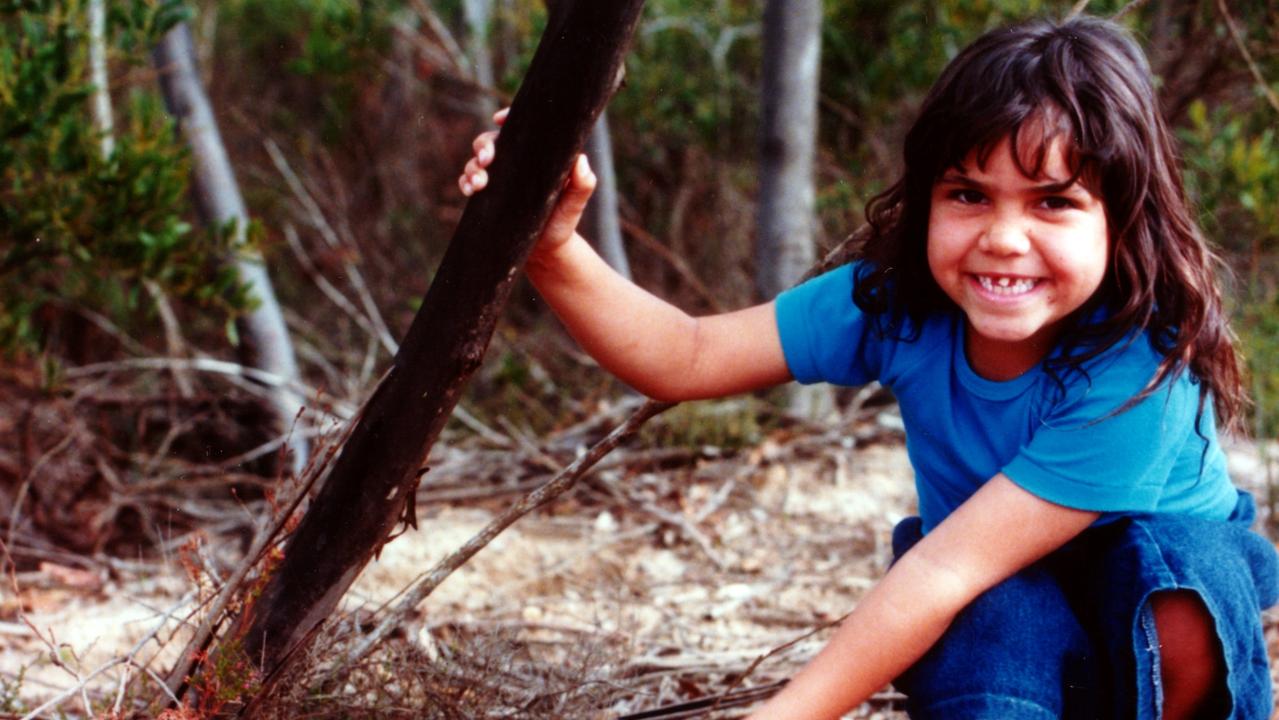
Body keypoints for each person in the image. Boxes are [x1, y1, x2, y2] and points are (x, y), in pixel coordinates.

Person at [459, 14, 1279, 720]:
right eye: (967, 194)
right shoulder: (893, 303)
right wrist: (551, 247)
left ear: (1124, 220)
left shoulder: (1137, 368)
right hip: (1000, 608)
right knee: (992, 610)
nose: (1001, 236)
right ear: (925, 197)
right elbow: (685, 355)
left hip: (1145, 623)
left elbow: (945, 563)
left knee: (1178, 576)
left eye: (1052, 202)